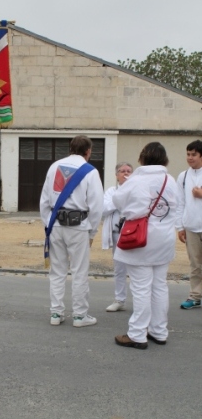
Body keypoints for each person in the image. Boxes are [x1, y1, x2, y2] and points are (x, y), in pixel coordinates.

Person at [112, 142, 178, 349]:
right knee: (159, 286)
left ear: (142, 158)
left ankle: (137, 334)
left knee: (141, 287)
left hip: (140, 239)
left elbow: (118, 201)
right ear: (164, 159)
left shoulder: (136, 180)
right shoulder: (170, 180)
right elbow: (176, 206)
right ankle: (159, 331)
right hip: (165, 238)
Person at [40, 135, 104, 327]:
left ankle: (56, 313)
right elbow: (97, 205)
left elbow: (44, 199)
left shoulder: (54, 167)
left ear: (70, 148)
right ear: (88, 151)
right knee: (79, 271)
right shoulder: (90, 171)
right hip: (78, 226)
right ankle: (79, 315)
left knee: (57, 271)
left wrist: (48, 224)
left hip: (56, 224)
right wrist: (92, 232)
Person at [102, 162, 133, 312]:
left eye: (128, 171)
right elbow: (105, 208)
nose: (125, 173)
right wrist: (120, 199)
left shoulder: (136, 190)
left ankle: (142, 301)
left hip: (134, 235)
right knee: (119, 269)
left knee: (136, 269)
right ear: (116, 175)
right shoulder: (111, 191)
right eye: (122, 171)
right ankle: (119, 300)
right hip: (116, 234)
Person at [176, 140, 202, 309]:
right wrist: (180, 227)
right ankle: (195, 296)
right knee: (195, 265)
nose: (190, 158)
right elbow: (180, 203)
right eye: (188, 154)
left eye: (194, 154)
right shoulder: (183, 176)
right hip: (192, 227)